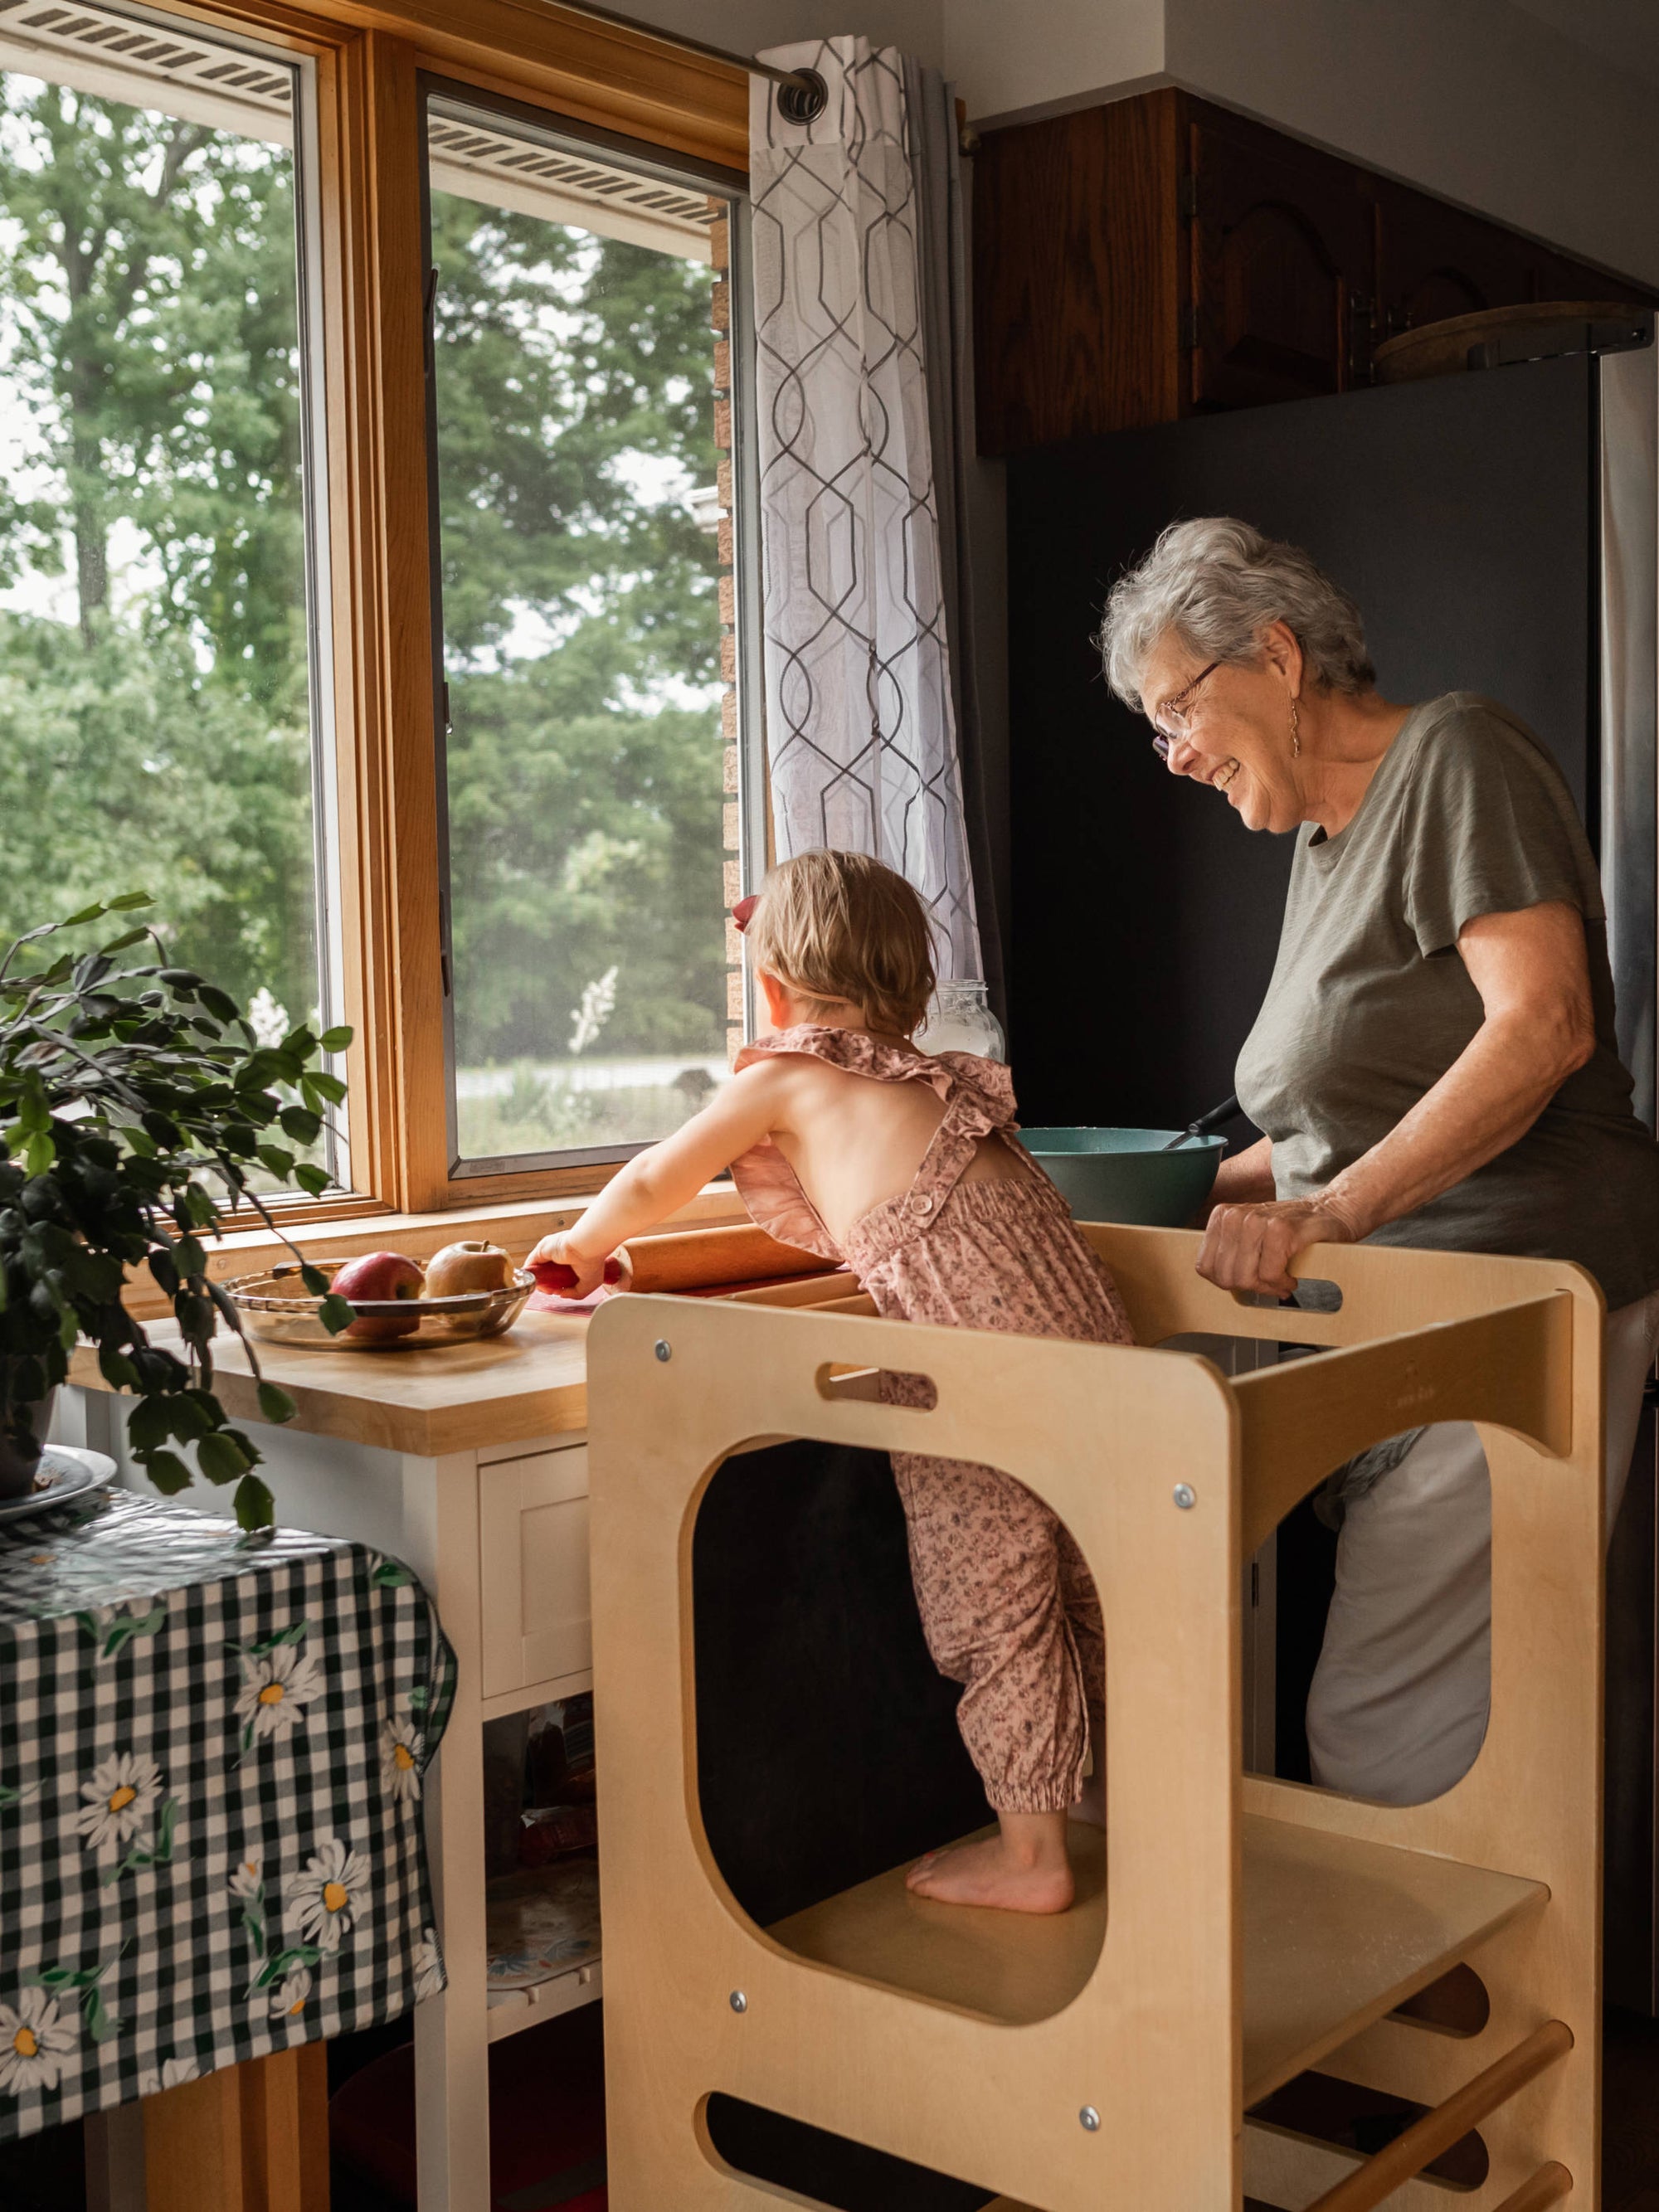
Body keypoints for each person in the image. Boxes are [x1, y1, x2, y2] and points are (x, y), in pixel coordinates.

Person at [1099, 514, 1659, 1804]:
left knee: (1385, 1733)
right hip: (1410, 1303)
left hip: (1518, 1289)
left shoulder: (1457, 753)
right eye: (1155, 729)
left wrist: (1335, 1210)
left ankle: (1448, 2005)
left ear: (1278, 657)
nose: (1173, 755)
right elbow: (1327, 1127)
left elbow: (1545, 1025)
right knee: (1437, 1723)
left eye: (1177, 709)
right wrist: (1161, 1186)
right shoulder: (1321, 839)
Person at [528, 848, 1134, 1913]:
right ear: (911, 985)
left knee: (993, 1614)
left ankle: (1035, 1858)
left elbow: (652, 1176)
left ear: (771, 990)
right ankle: (1123, 1811)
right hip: (1100, 1354)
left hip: (980, 1389)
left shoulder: (785, 1077)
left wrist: (581, 1246)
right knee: (1104, 1598)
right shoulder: (936, 1080)